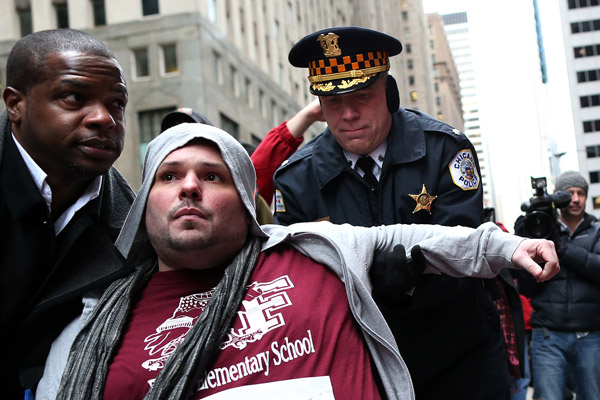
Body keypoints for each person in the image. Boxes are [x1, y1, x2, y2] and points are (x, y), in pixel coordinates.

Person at [36, 122, 559, 399]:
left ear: (245, 201)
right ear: (144, 201)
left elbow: (416, 235)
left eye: (212, 176)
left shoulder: (316, 250)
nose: (189, 186)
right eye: (169, 177)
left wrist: (505, 247)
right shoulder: (90, 330)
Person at [272, 26, 512, 398]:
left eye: (363, 96)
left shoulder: (444, 150)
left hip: (461, 356)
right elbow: (300, 281)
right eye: (333, 103)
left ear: (390, 92)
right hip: (365, 366)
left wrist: (410, 270)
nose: (348, 114)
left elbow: (463, 246)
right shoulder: (295, 180)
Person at [0, 29, 135, 397]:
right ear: (16, 104)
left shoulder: (133, 230)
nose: (104, 119)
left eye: (117, 103)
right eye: (74, 97)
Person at [516, 171, 600, 400]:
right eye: (570, 193)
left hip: (591, 335)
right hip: (548, 335)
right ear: (559, 198)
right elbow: (527, 288)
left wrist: (562, 249)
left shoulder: (597, 229)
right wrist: (523, 242)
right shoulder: (540, 231)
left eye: (580, 193)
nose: (575, 199)